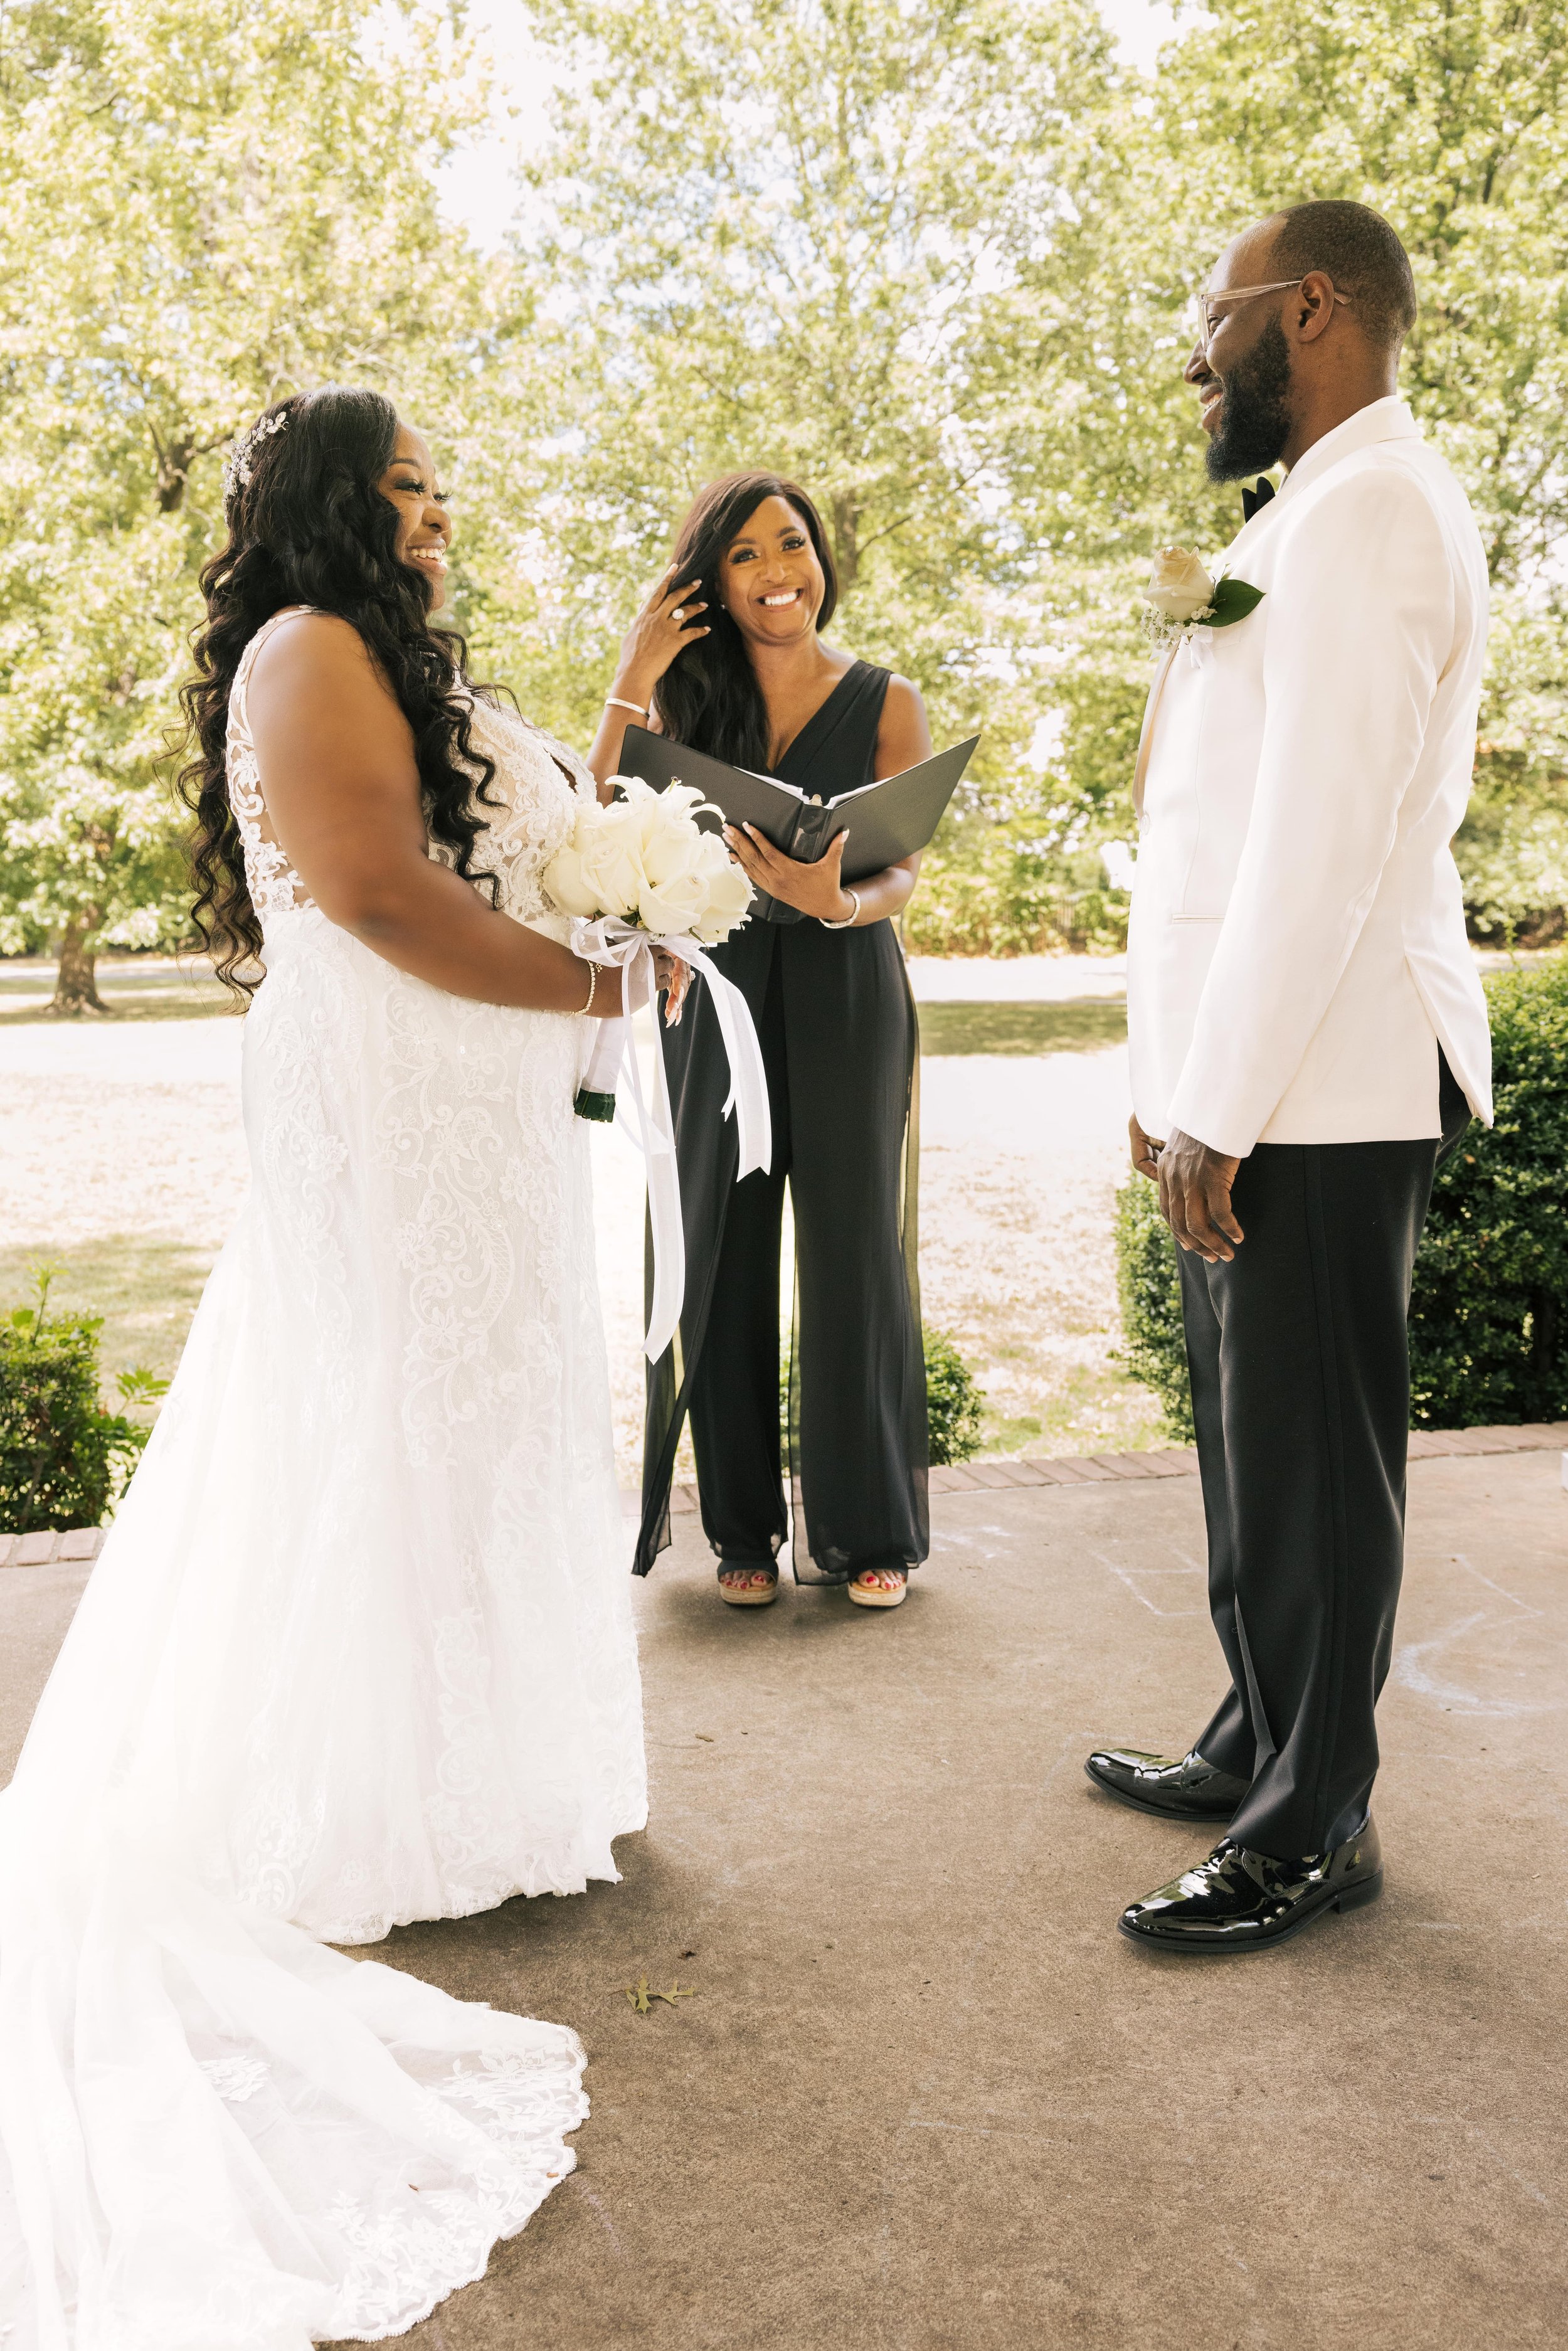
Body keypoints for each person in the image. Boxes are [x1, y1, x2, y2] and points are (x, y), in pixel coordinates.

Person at [0, 387, 687, 2340]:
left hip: (475, 1105)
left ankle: (484, 1786)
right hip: (391, 1104)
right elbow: (384, 898)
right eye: (403, 485)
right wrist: (596, 980)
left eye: (439, 483)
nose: (435, 508)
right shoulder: (306, 648)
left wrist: (622, 840)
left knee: (484, 1426)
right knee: (385, 1420)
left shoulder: (397, 662)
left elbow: (519, 849)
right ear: (327, 506)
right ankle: (360, 1800)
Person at [1088, 201, 1491, 1952]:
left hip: (1323, 1075)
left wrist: (1220, 1096)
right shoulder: (1301, 513)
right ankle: (1259, 1736)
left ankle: (1312, 1824)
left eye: (1213, 309)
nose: (1194, 349)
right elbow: (1203, 831)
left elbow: (1319, 843)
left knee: (1315, 1462)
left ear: (1308, 306)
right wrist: (1172, 1066)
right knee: (1251, 1448)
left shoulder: (1375, 510)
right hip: (1256, 1068)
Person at [587, 472, 931, 1610]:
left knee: (852, 1257)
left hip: (848, 989)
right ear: (711, 583)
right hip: (715, 995)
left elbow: (902, 872)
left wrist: (838, 901)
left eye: (792, 544)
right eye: (744, 554)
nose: (777, 571)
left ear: (821, 557)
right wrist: (634, 674)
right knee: (720, 1249)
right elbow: (594, 819)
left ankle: (867, 1530)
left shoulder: (887, 701)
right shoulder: (682, 701)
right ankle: (740, 1530)